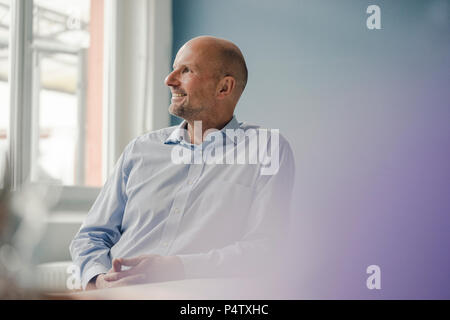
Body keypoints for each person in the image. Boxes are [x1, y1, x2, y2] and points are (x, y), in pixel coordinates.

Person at [70, 36, 295, 290]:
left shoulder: (267, 148)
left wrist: (177, 267)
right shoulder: (140, 150)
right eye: (174, 68)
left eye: (186, 70)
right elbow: (91, 236)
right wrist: (98, 280)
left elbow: (264, 250)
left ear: (224, 88)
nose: (169, 79)